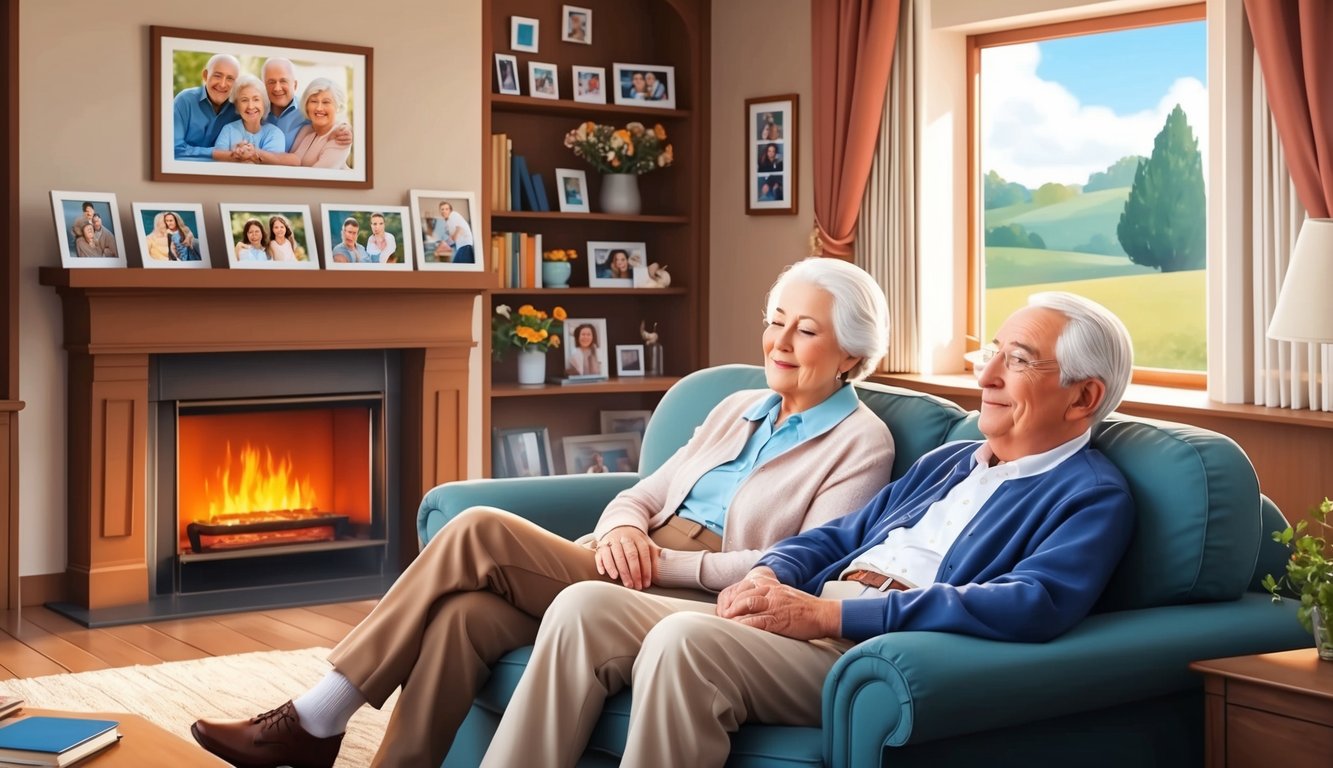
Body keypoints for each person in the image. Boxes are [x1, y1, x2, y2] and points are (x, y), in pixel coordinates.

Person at [189, 257, 897, 768]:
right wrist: (623, 526)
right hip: (627, 551)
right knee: (461, 617)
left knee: (478, 529)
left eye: (803, 331)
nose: (777, 342)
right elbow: (645, 491)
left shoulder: (862, 443)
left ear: (850, 353)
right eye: (775, 323)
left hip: (694, 590)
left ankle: (315, 718)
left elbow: (805, 563)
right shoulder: (738, 404)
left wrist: (665, 559)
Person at [481, 292, 1138, 768]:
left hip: (863, 644)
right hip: (813, 614)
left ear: (1082, 397)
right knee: (584, 603)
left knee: (686, 639)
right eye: (991, 353)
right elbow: (838, 535)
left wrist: (832, 616)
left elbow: (1034, 604)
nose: (986, 376)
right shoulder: (947, 461)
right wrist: (771, 574)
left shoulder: (1090, 495)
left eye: (1016, 362)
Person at [247, 79, 352, 169]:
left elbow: (318, 179)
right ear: (306, 105)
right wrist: (256, 153)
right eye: (314, 101)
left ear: (338, 106)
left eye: (326, 102)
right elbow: (293, 161)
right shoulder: (306, 130)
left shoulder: (341, 136)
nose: (319, 108)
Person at [172, 53, 240, 161]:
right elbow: (174, 149)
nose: (222, 84)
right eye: (217, 76)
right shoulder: (184, 101)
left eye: (230, 78)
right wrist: (217, 154)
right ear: (205, 75)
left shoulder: (239, 110)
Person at [212, 75, 286, 162]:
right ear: (237, 106)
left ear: (264, 103)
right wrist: (236, 155)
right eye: (244, 100)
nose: (250, 106)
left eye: (256, 99)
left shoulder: (275, 134)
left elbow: (270, 168)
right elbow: (218, 160)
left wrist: (250, 154)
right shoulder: (228, 130)